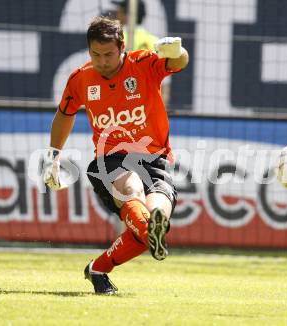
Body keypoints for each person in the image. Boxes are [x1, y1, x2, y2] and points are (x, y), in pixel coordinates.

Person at [43, 16, 189, 295]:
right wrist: (54, 157)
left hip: (154, 157)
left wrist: (177, 52)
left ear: (122, 47)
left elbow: (179, 62)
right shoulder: (81, 79)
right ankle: (151, 230)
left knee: (156, 209)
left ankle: (100, 267)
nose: (102, 61)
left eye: (108, 54)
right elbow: (65, 115)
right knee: (132, 187)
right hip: (109, 159)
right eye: (95, 54)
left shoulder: (143, 64)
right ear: (89, 51)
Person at [112, 0, 171, 104]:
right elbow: (165, 83)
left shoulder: (115, 39)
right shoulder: (155, 41)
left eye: (119, 12)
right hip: (147, 105)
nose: (116, 15)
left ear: (126, 15)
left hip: (120, 104)